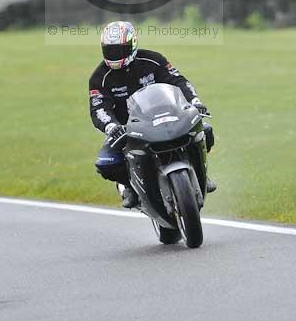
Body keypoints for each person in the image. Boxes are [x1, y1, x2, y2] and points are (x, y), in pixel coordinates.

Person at [89, 20, 216, 208]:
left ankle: (201, 175)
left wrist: (195, 101)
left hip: (167, 115)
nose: (114, 55)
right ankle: (128, 186)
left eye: (119, 50)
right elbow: (98, 108)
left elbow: (178, 81)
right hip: (128, 129)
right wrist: (111, 126)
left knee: (205, 130)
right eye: (109, 50)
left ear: (132, 45)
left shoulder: (153, 60)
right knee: (106, 162)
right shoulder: (99, 77)